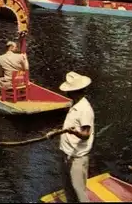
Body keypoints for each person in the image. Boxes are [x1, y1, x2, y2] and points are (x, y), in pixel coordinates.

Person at [49, 71, 94, 203]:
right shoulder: (74, 105)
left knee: (79, 190)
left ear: (74, 91)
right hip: (67, 153)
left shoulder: (84, 109)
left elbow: (86, 134)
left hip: (77, 157)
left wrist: (74, 132)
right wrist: (56, 132)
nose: (66, 93)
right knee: (68, 188)